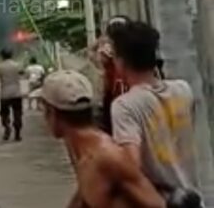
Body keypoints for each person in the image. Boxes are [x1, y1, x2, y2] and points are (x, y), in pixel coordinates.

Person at [108, 21, 202, 206]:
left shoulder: (124, 106)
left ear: (120, 62)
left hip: (161, 201)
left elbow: (130, 170)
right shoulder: (183, 89)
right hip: (192, 199)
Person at [41, 70, 166, 208]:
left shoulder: (107, 156)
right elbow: (84, 196)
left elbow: (157, 204)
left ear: (51, 113)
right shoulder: (81, 152)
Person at [88, 15, 131, 135]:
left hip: (115, 90)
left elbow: (94, 55)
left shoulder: (105, 48)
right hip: (119, 88)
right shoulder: (132, 46)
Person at [0, 48, 24, 141]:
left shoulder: (0, 67)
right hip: (16, 93)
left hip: (5, 94)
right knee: (17, 114)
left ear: (2, 56)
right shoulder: (17, 65)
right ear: (11, 55)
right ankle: (17, 134)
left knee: (4, 113)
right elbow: (22, 72)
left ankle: (7, 127)